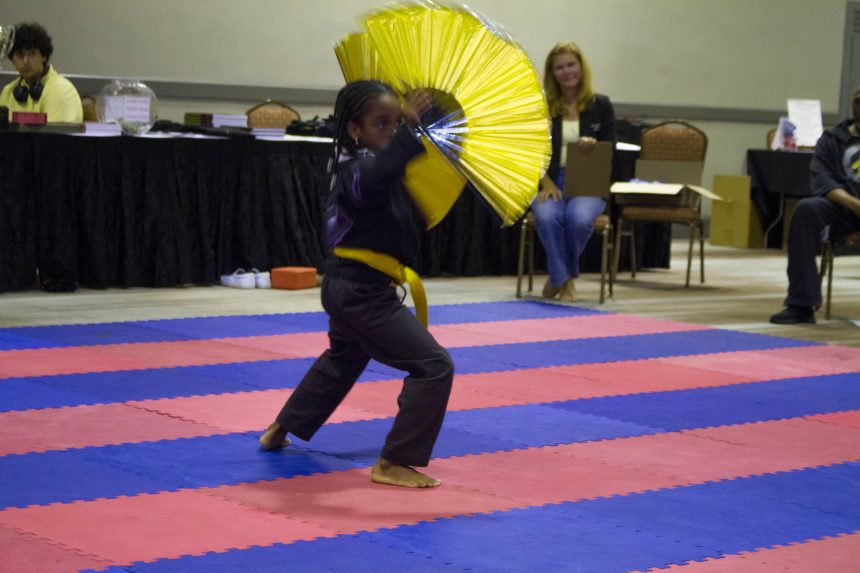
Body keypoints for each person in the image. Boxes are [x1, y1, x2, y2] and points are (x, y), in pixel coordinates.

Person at [259, 80, 454, 488]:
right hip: (361, 292)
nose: (391, 130)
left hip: (353, 288)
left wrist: (429, 121)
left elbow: (393, 188)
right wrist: (406, 136)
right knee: (434, 367)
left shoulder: (376, 168)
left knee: (344, 358)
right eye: (381, 124)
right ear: (354, 129)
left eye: (395, 122)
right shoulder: (355, 171)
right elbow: (376, 176)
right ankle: (394, 462)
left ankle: (282, 427)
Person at [533, 41, 616, 302]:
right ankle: (565, 280)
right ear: (552, 73)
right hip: (551, 181)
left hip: (587, 183)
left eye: (571, 64)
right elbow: (532, 151)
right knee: (547, 216)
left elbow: (611, 150)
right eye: (559, 67)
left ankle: (557, 277)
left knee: (579, 219)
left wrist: (594, 145)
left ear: (581, 66)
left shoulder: (601, 105)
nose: (566, 71)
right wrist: (546, 183)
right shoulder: (543, 106)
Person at [770, 86, 860, 324]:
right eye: (858, 101)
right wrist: (855, 205)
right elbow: (824, 183)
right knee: (806, 209)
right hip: (844, 211)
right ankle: (801, 304)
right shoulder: (832, 140)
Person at [0, 22, 83, 124]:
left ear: (44, 56)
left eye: (32, 54)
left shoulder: (62, 91)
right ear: (12, 60)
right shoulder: (8, 92)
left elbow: (55, 133)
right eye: (20, 55)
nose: (25, 61)